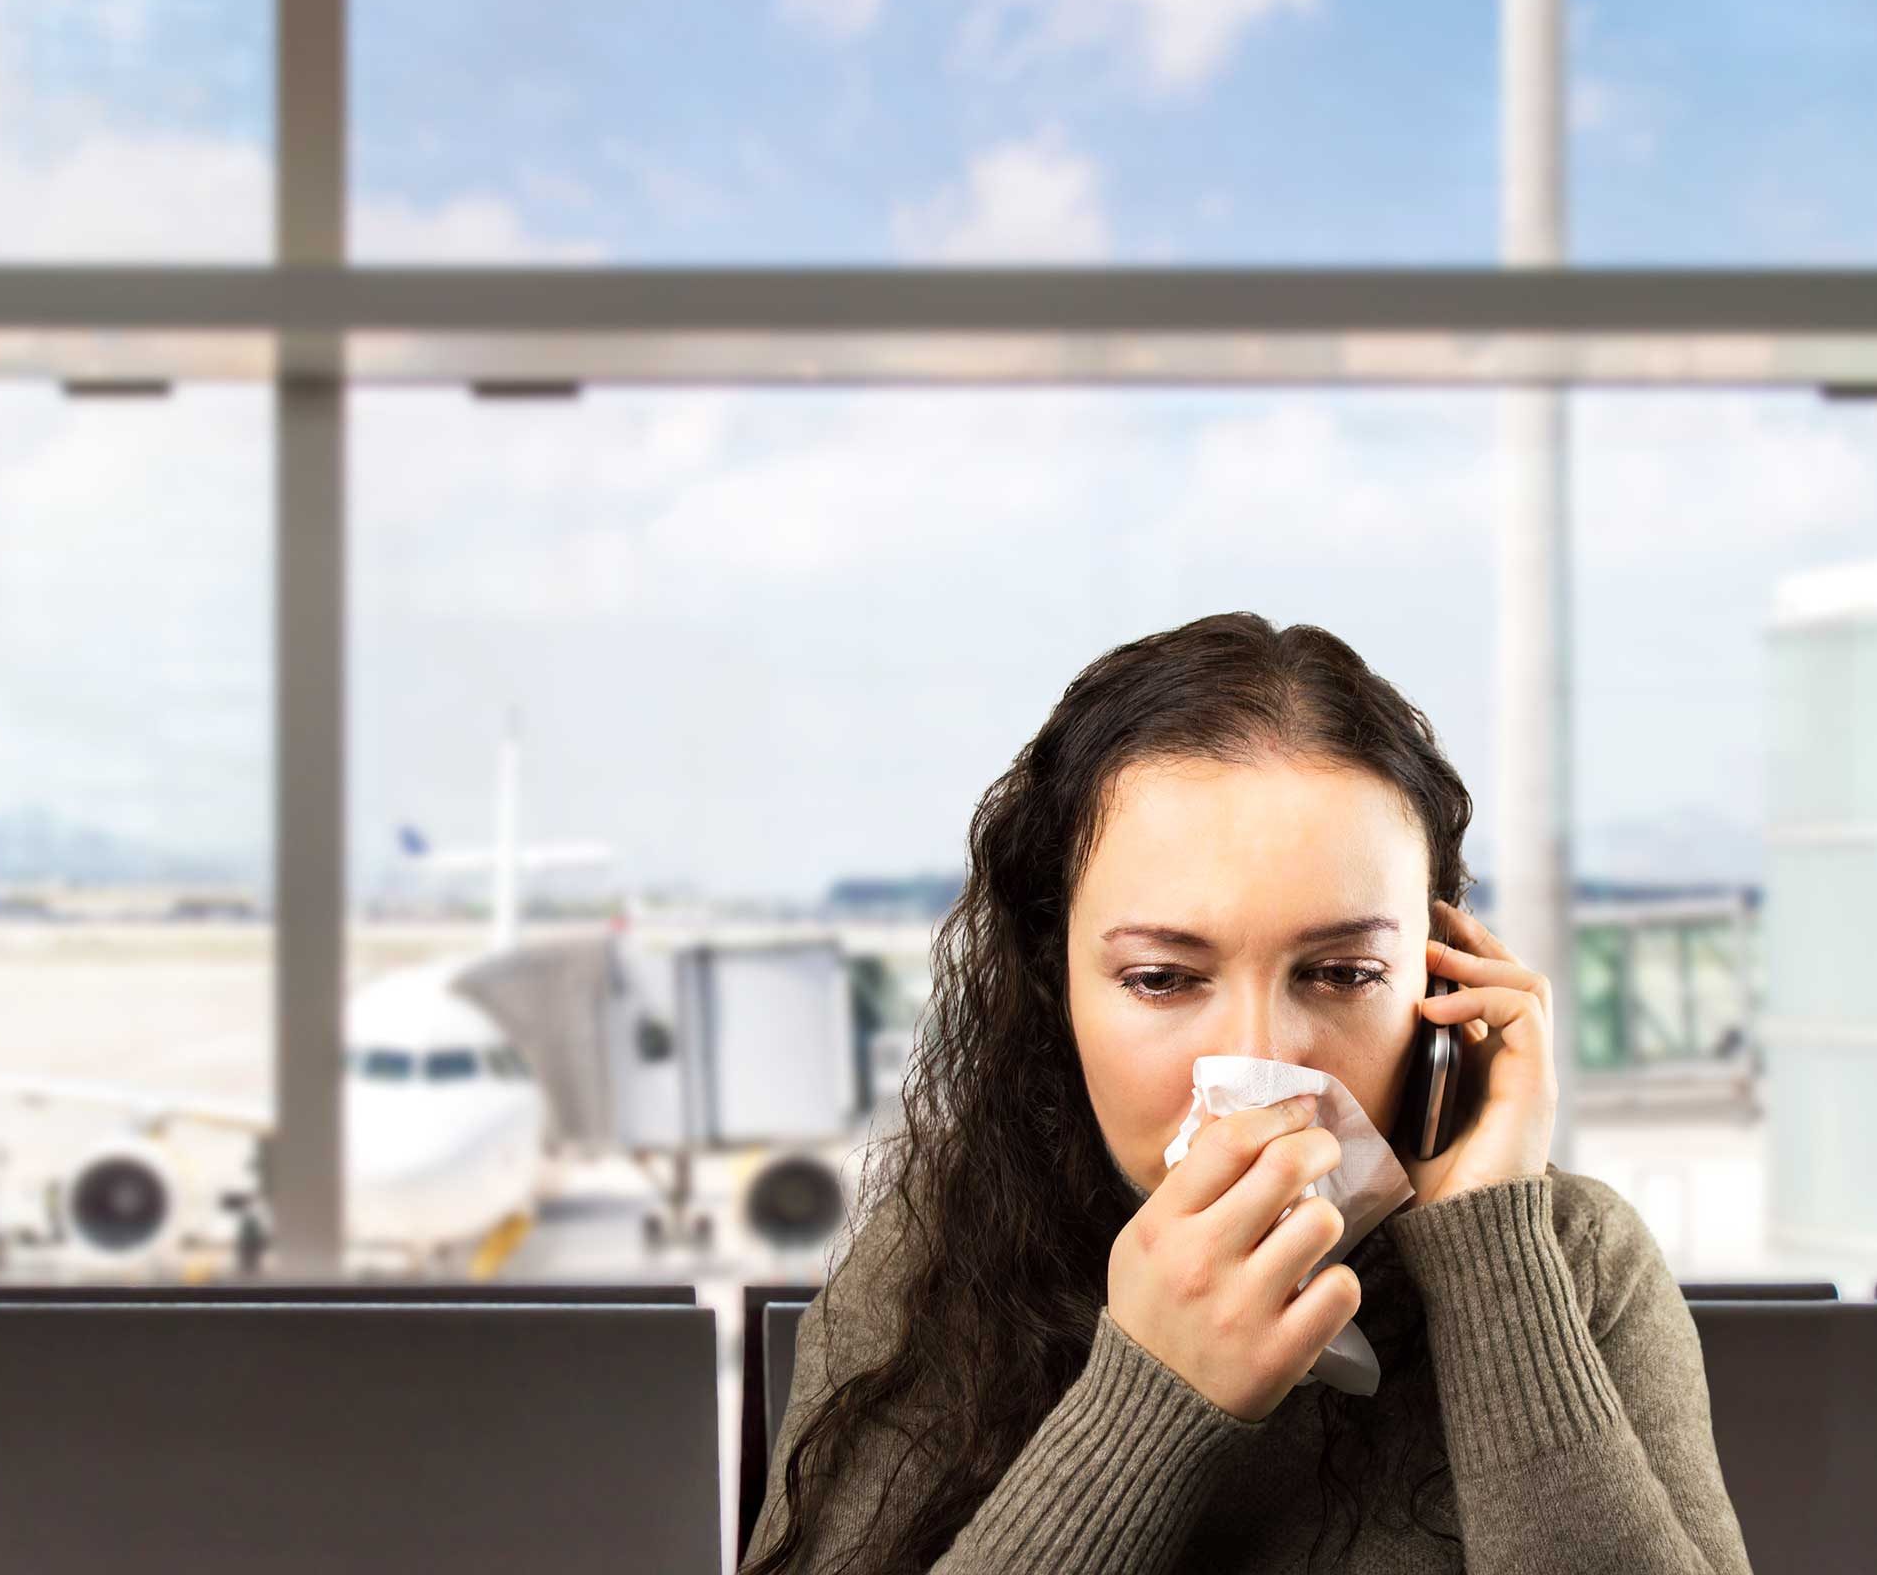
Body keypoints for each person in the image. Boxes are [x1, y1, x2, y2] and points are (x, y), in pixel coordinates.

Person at [743, 613, 1750, 1574]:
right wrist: (1149, 1398)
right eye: (1163, 980)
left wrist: (1493, 1255)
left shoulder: (1572, 1262)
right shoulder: (939, 1265)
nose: (1266, 1065)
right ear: (1057, 991)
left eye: (1344, 973)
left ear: (1442, 983)